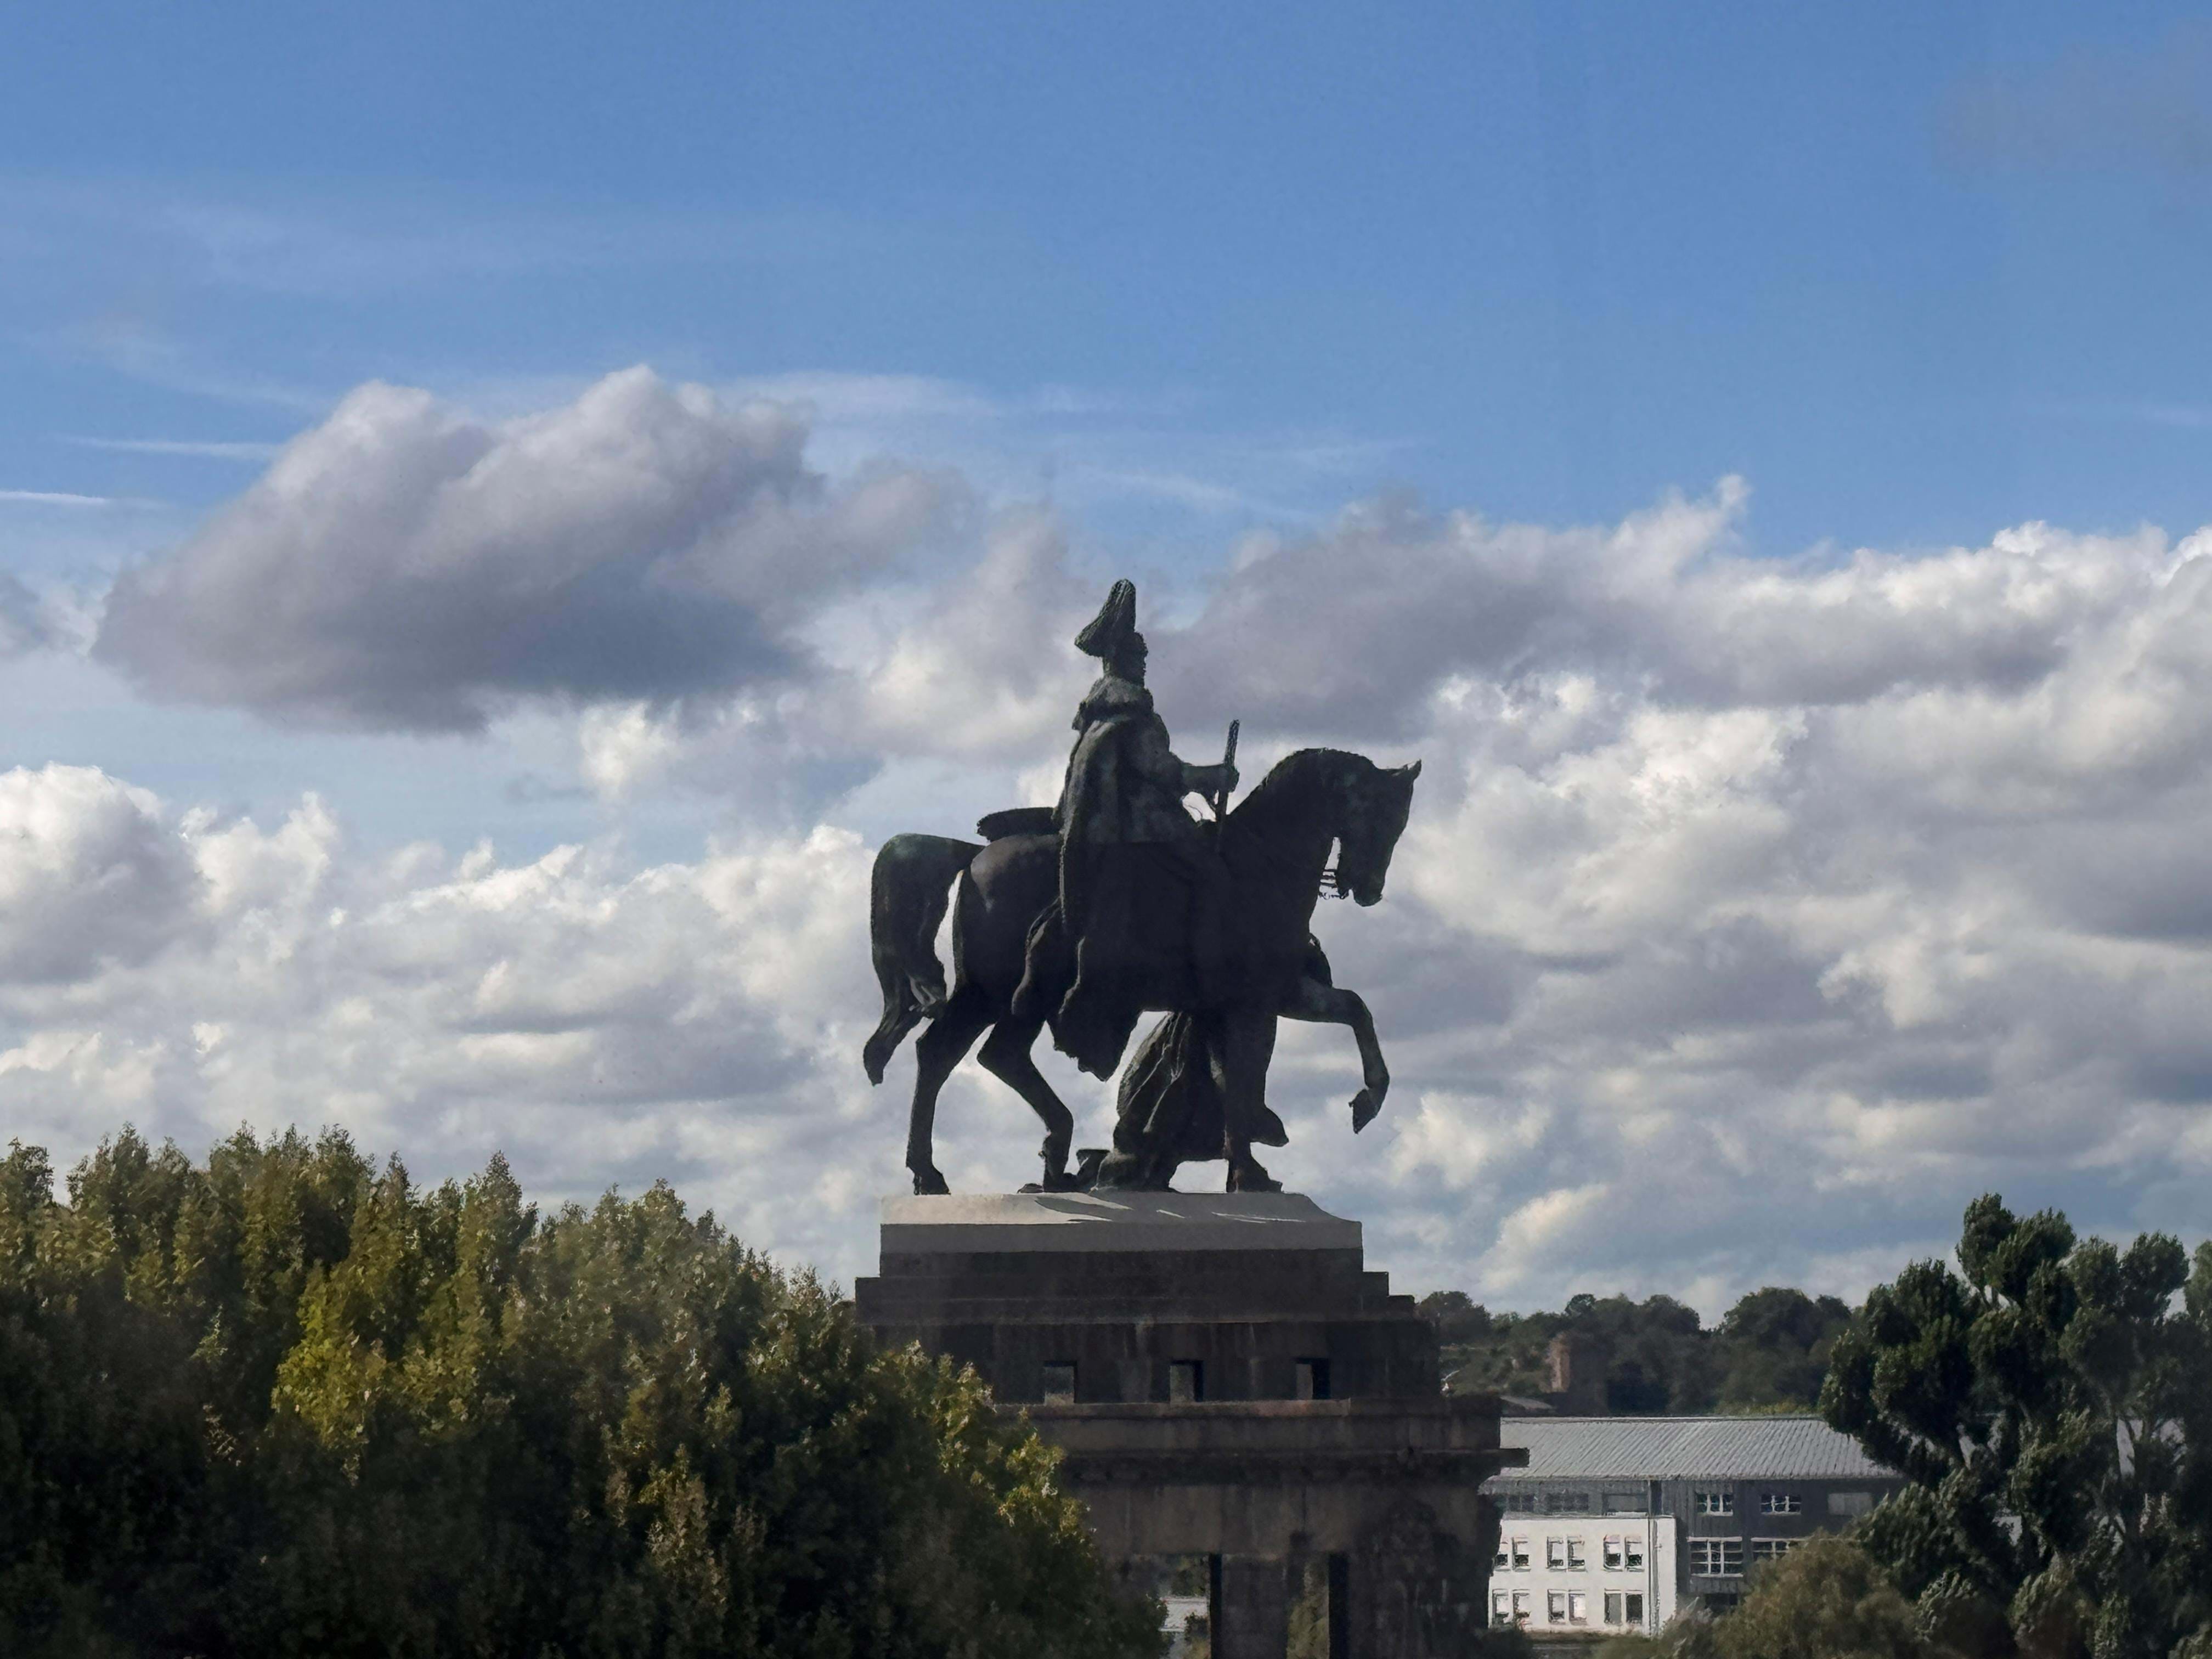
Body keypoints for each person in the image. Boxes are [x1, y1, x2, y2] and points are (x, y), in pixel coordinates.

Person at [1015, 580, 1238, 1079]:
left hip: (1126, 822)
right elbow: (1158, 770)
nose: (1143, 664)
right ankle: (1206, 975)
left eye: (1143, 657)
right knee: (1213, 876)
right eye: (1138, 657)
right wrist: (1211, 777)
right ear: (1120, 661)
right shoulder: (1131, 710)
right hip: (1139, 829)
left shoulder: (1103, 711)